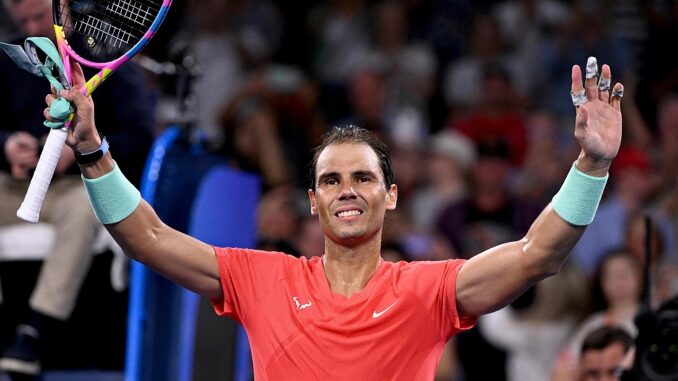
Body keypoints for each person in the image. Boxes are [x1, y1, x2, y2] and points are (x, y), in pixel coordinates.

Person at [47, 55, 623, 379]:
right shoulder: (262, 279)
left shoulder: (427, 288)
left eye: (363, 177)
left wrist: (591, 165)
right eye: (331, 180)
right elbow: (146, 237)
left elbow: (537, 254)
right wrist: (94, 151)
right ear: (314, 201)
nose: (347, 191)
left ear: (391, 196)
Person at [0, 0, 154, 377]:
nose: (35, 27)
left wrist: (87, 148)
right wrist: (5, 145)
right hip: (14, 184)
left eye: (42, 17)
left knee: (89, 206)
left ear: (63, 9)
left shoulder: (108, 58)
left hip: (74, 188)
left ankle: (33, 334)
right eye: (26, 21)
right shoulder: (5, 62)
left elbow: (140, 134)